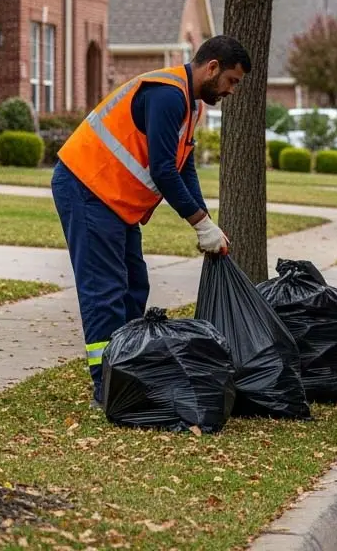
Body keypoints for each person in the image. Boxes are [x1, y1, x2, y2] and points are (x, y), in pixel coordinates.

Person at [53, 34, 252, 405]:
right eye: (231, 81)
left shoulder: (190, 105)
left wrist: (207, 222)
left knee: (133, 286)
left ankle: (129, 372)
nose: (232, 91)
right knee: (105, 293)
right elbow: (162, 171)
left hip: (113, 199)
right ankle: (108, 388)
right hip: (87, 188)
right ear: (212, 68)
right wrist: (199, 225)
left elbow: (183, 167)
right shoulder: (166, 95)